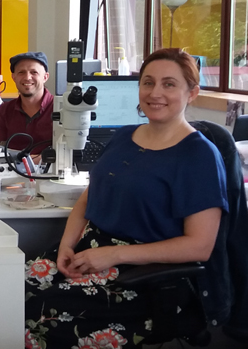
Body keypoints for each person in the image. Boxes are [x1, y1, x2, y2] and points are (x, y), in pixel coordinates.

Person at [23, 48, 228, 348]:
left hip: (143, 275)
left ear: (192, 92)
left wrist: (113, 255)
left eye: (169, 84)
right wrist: (66, 245)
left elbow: (199, 245)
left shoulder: (199, 156)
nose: (155, 92)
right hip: (87, 251)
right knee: (7, 291)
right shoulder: (124, 137)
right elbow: (88, 198)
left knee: (36, 317)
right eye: (148, 82)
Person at [0, 52, 53, 155]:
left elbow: (66, 153)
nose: (27, 77)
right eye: (21, 72)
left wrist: (32, 161)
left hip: (51, 170)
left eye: (34, 72)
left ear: (45, 77)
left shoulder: (60, 109)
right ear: (14, 77)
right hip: (11, 170)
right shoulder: (5, 110)